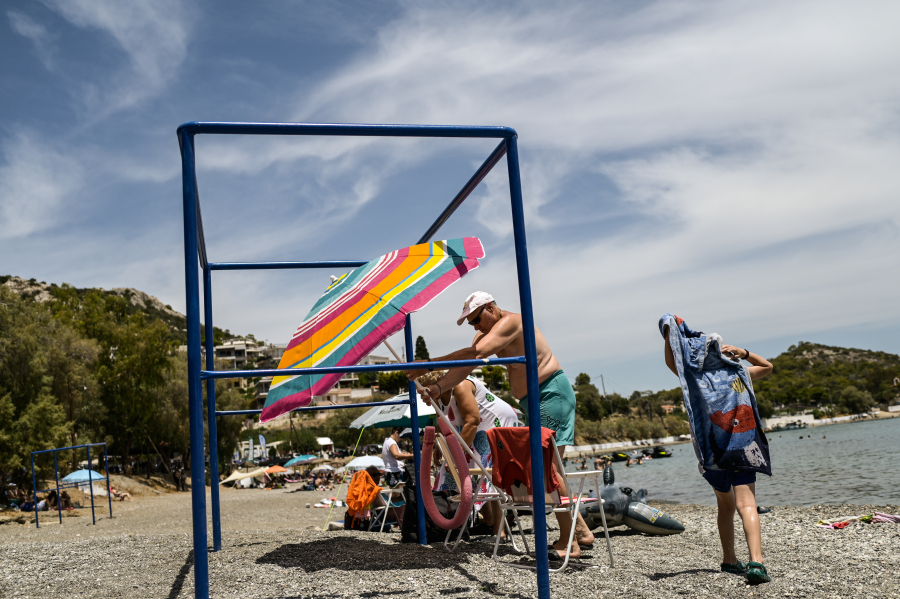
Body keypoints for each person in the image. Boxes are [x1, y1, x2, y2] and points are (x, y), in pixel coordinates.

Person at [407, 291, 594, 559]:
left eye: (476, 318)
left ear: (491, 308)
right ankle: (581, 532)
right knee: (547, 466)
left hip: (550, 392)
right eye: (470, 322)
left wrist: (429, 364)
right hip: (532, 400)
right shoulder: (486, 333)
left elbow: (476, 352)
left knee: (546, 466)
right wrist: (438, 387)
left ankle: (570, 541)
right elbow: (468, 363)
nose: (475, 326)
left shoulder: (512, 322)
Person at [663, 319, 773, 584]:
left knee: (725, 506)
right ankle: (756, 562)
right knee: (747, 504)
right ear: (721, 350)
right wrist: (744, 353)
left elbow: (671, 362)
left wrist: (669, 333)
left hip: (711, 453)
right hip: (743, 448)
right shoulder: (739, 372)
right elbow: (768, 367)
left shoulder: (693, 377)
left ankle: (729, 560)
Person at [417, 369, 518, 539]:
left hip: (495, 422)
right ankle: (488, 522)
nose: (424, 397)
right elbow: (445, 421)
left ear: (441, 382)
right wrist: (439, 447)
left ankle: (499, 531)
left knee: (487, 472)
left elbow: (472, 420)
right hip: (474, 426)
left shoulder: (461, 386)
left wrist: (457, 456)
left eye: (427, 391)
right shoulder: (437, 396)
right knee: (467, 473)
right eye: (422, 393)